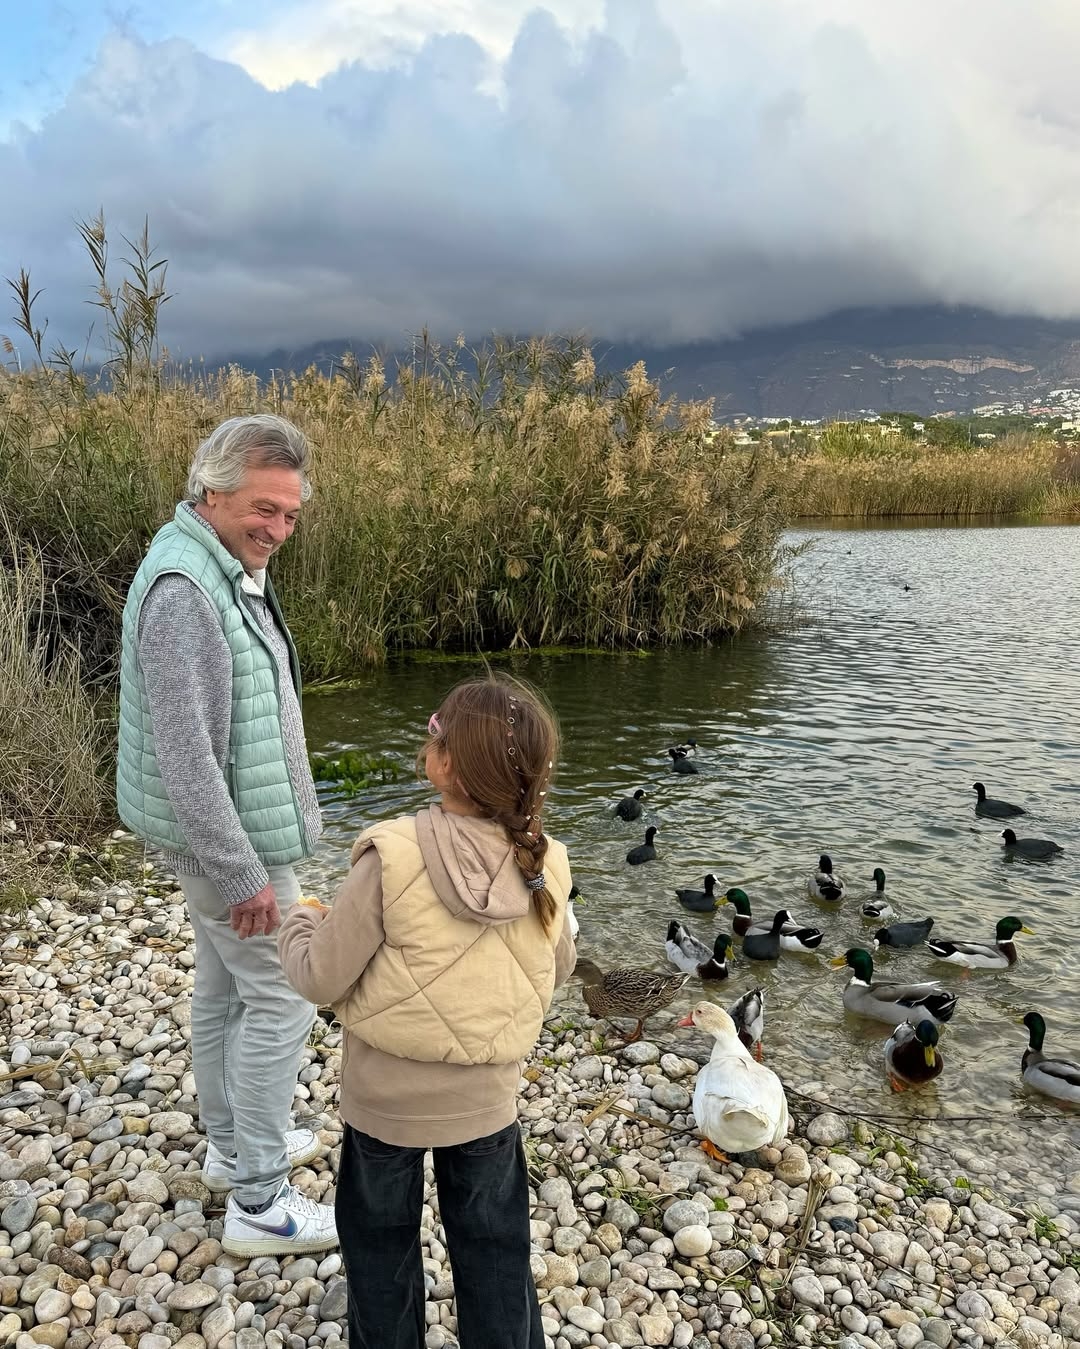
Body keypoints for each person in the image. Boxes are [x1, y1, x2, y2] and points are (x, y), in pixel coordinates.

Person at [279, 673, 576, 1349]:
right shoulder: (547, 862)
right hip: (488, 1100)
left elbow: (321, 977)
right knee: (497, 1252)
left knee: (381, 1254)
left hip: (384, 1103)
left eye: (433, 732)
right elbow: (556, 968)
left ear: (443, 762)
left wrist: (299, 922)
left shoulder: (392, 852)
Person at [116, 413, 337, 1256]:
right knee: (281, 997)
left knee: (223, 990)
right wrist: (242, 872)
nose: (279, 530)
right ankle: (262, 1201)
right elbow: (187, 757)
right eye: (264, 509)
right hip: (229, 846)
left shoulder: (214, 563)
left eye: (290, 514)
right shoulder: (184, 589)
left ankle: (228, 1147)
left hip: (229, 839)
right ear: (212, 491)